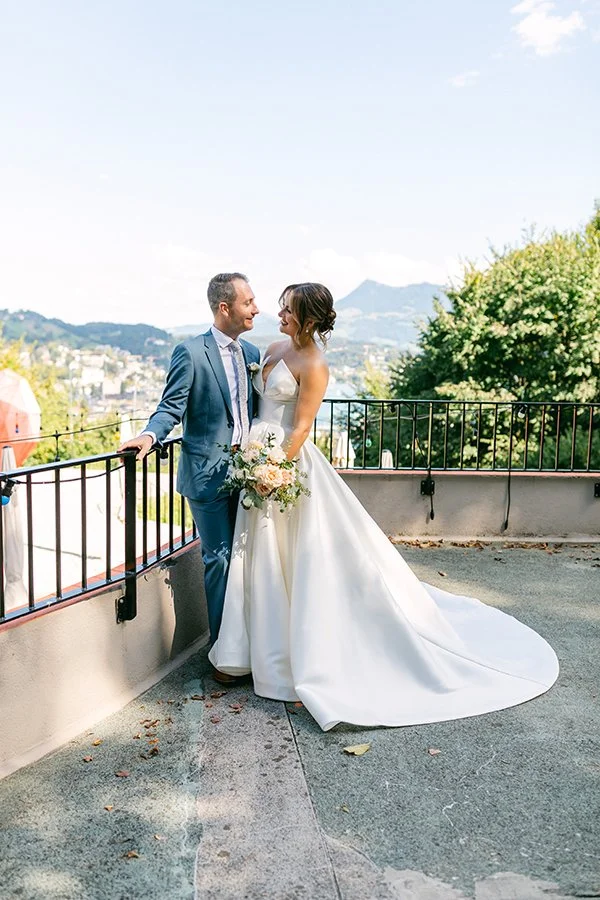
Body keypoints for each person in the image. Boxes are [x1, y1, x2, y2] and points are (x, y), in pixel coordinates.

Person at [209, 282, 559, 731]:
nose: (280, 314)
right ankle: (247, 652)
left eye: (288, 309)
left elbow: (300, 429)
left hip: (281, 466)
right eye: (280, 307)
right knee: (256, 558)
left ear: (309, 318)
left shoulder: (314, 365)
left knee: (289, 559)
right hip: (257, 455)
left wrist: (273, 473)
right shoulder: (274, 347)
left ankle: (281, 659)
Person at [118, 273, 260, 683]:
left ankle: (248, 643)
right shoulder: (190, 352)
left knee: (250, 559)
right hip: (205, 474)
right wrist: (149, 435)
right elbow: (170, 408)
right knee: (219, 559)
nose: (256, 308)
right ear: (224, 308)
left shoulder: (251, 351)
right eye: (248, 302)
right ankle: (224, 655)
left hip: (249, 473)